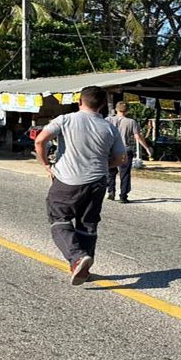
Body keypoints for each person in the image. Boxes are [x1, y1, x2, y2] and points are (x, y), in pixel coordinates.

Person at [33, 86, 127, 285]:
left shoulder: (65, 120)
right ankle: (84, 269)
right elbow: (121, 158)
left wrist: (47, 165)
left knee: (59, 218)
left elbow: (40, 141)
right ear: (102, 105)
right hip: (98, 182)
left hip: (68, 180)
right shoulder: (110, 127)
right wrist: (104, 165)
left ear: (79, 102)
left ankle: (77, 258)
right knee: (88, 224)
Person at [105, 102, 154, 203]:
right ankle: (123, 196)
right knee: (125, 173)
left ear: (116, 109)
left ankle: (111, 191)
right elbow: (137, 136)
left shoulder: (108, 120)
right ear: (127, 110)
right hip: (125, 149)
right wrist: (146, 148)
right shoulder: (131, 122)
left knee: (111, 171)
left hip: (110, 149)